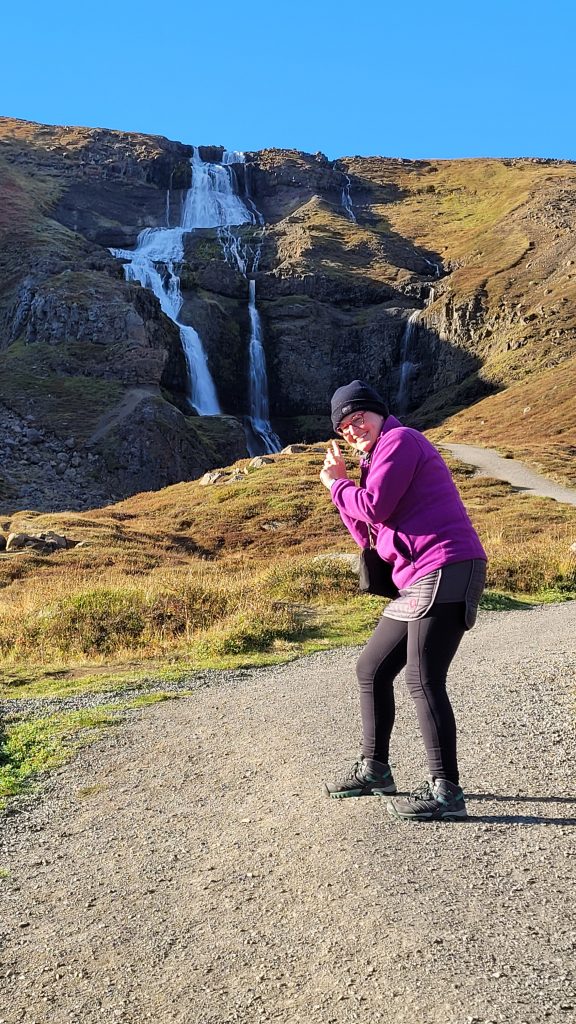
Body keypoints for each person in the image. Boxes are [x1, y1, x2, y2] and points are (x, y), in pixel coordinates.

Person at [320, 380, 487, 821]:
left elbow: (372, 506)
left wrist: (338, 486)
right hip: (416, 577)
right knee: (371, 668)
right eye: (344, 427)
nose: (353, 429)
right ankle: (375, 769)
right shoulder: (374, 459)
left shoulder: (401, 440)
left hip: (447, 565)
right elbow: (369, 533)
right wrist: (342, 490)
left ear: (377, 412)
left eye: (359, 418)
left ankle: (446, 791)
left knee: (422, 677)